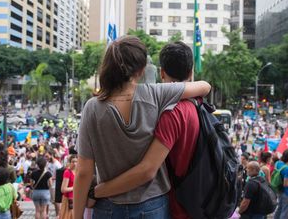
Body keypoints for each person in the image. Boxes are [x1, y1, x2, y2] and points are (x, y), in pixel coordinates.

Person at [74, 36, 211, 219]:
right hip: (152, 206)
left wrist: (77, 215)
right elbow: (205, 87)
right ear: (140, 70)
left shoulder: (92, 107)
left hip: (108, 206)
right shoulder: (155, 93)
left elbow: (83, 172)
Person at [59, 154, 77, 219]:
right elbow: (63, 189)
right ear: (70, 162)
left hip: (77, 198)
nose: (75, 164)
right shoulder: (67, 172)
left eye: (76, 161)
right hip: (68, 199)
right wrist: (75, 188)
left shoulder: (78, 171)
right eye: (73, 161)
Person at [46, 149, 62, 217]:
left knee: (56, 202)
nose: (46, 158)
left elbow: (60, 176)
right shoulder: (48, 163)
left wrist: (51, 178)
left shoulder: (57, 164)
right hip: (49, 185)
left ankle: (58, 215)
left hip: (54, 185)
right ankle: (46, 215)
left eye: (47, 156)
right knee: (48, 201)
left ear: (52, 155)